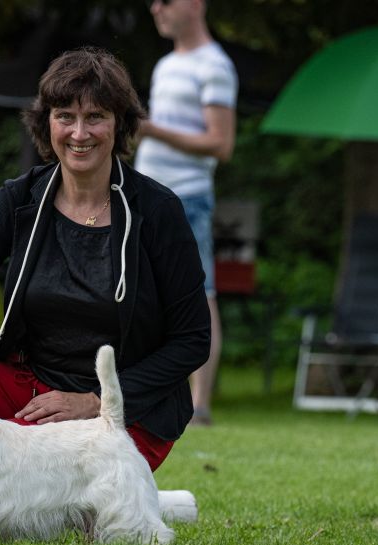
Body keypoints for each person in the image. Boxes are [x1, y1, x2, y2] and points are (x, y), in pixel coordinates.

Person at [0, 47, 211, 471]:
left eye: (95, 116)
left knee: (77, 519)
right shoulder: (20, 199)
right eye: (65, 116)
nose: (79, 133)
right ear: (47, 124)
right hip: (31, 400)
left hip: (123, 417)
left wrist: (95, 401)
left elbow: (193, 340)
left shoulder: (158, 211)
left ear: (120, 125)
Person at [134, 0, 238, 427]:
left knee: (200, 295)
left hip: (186, 200)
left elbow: (221, 143)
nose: (155, 8)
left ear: (195, 4)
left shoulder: (214, 65)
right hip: (148, 196)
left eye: (165, 0)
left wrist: (149, 128)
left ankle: (200, 404)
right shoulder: (165, 65)